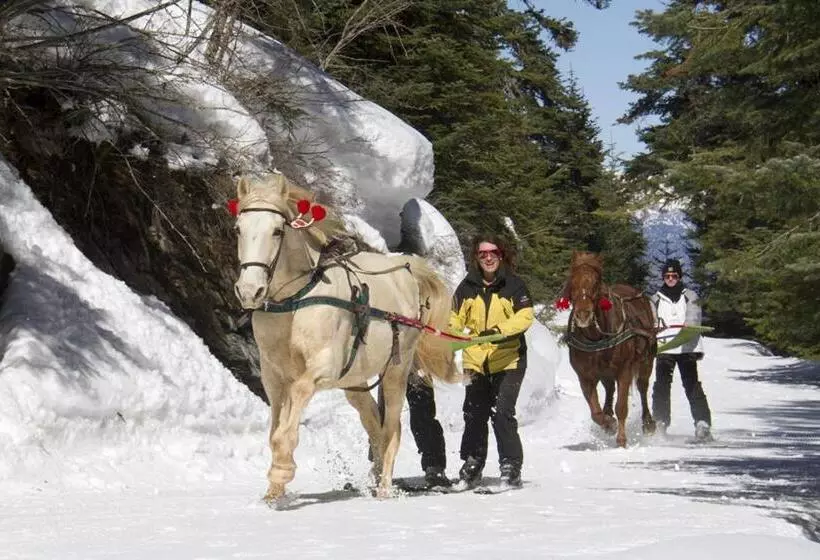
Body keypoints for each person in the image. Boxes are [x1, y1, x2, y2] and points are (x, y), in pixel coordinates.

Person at [450, 234, 534, 488]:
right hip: (475, 361)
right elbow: (453, 318)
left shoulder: (514, 286)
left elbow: (525, 317)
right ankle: (473, 463)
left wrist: (498, 330)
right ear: (476, 258)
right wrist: (453, 333)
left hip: (508, 360)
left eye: (493, 253)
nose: (488, 258)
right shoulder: (466, 288)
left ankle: (510, 466)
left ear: (501, 255)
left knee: (502, 413)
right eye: (482, 254)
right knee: (474, 414)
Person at [651, 259, 713, 441]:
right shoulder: (655, 299)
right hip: (665, 347)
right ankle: (660, 420)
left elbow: (694, 316)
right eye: (667, 276)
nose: (671, 279)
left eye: (674, 276)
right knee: (662, 385)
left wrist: (688, 327)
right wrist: (655, 327)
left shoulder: (690, 295)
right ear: (663, 277)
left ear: (679, 277)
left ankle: (702, 422)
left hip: (686, 347)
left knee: (692, 384)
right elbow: (652, 319)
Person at [405, 370, 450, 487]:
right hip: (387, 362)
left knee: (422, 413)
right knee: (382, 418)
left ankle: (434, 465)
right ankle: (379, 463)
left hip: (417, 363)